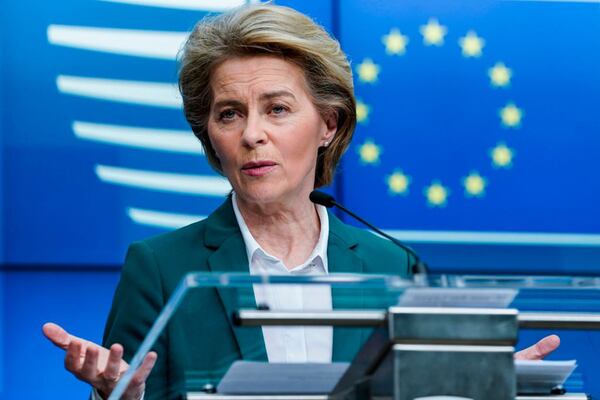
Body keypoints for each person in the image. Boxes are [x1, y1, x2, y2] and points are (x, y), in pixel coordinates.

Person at [43, 4, 560, 400]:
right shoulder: (159, 268)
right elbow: (124, 384)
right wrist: (118, 396)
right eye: (229, 114)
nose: (252, 135)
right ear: (211, 137)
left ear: (328, 124)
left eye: (278, 109)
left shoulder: (393, 264)